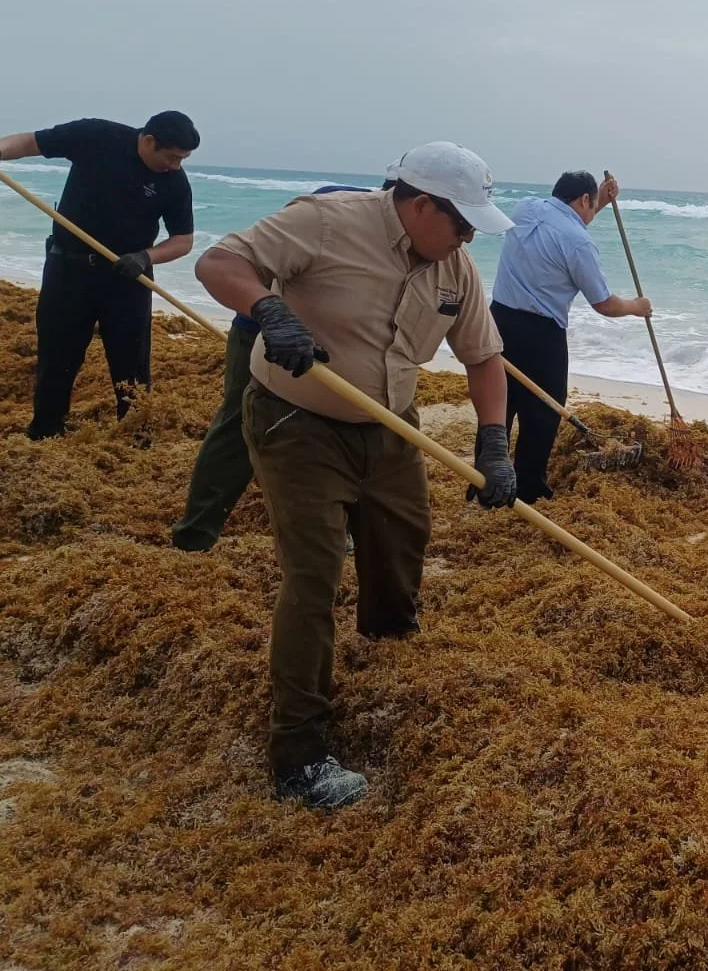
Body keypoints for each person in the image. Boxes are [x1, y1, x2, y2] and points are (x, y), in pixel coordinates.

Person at [195, 141, 517, 811]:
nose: (466, 238)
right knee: (313, 573)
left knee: (402, 543)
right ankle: (299, 755)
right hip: (295, 421)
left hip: (390, 428)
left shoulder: (455, 266)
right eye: (460, 222)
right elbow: (220, 262)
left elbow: (484, 359)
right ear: (421, 203)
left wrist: (493, 447)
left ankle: (385, 654)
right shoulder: (328, 221)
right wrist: (271, 311)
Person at [0, 113, 200, 439]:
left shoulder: (174, 182)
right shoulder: (96, 135)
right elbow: (32, 142)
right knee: (57, 357)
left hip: (127, 277)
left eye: (183, 159)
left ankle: (136, 437)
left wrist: (145, 257)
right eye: (172, 157)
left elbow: (183, 241)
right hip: (67, 269)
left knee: (132, 364)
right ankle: (46, 432)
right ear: (149, 140)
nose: (175, 166)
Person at [170, 182, 382, 553]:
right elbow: (238, 262)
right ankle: (195, 535)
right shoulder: (328, 208)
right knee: (239, 424)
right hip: (263, 333)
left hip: (336, 343)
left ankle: (342, 529)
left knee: (341, 434)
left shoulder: (402, 238)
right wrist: (273, 317)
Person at [489, 171, 651, 503]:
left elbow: (565, 222)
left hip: (498, 322)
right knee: (543, 411)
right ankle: (528, 489)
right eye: (591, 204)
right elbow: (604, 304)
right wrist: (636, 307)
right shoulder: (579, 242)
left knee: (498, 404)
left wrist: (600, 199)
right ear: (582, 200)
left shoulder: (526, 208)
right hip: (541, 335)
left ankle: (485, 482)